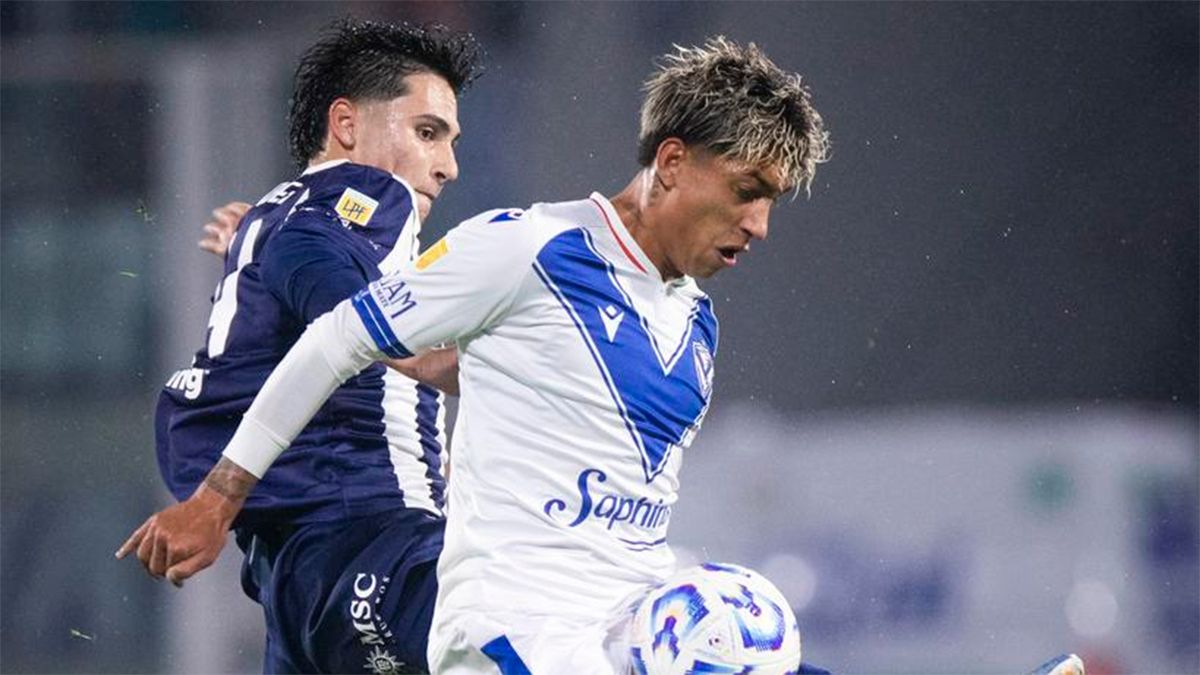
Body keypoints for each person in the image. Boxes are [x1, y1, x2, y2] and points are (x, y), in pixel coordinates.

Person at [123, 35, 827, 672]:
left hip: (606, 624)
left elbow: (485, 370)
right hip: (504, 623)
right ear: (671, 162)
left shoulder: (696, 325)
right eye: (747, 192)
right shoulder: (522, 246)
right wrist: (217, 497)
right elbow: (339, 336)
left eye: (773, 202)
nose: (759, 225)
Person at [120, 17, 481, 673]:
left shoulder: (274, 213)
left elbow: (303, 266)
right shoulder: (371, 195)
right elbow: (337, 302)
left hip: (302, 577)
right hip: (371, 543)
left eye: (451, 142)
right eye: (428, 133)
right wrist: (481, 359)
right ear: (346, 125)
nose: (448, 166)